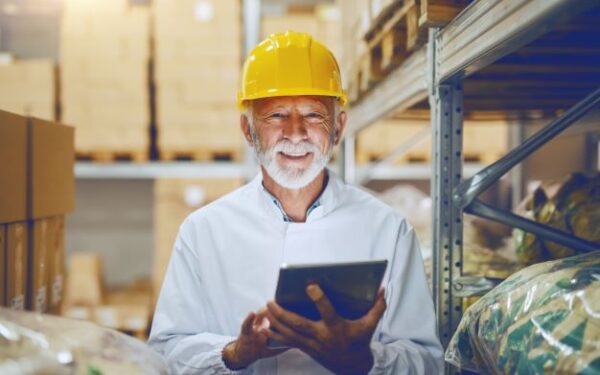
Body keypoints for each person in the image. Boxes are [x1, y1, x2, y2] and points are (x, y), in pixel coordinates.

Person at [149, 31, 443, 374]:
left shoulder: (387, 229)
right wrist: (233, 354)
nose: (296, 132)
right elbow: (166, 353)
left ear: (338, 127)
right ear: (247, 129)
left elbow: (427, 361)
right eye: (276, 115)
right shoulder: (203, 232)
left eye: (314, 115)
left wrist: (363, 360)